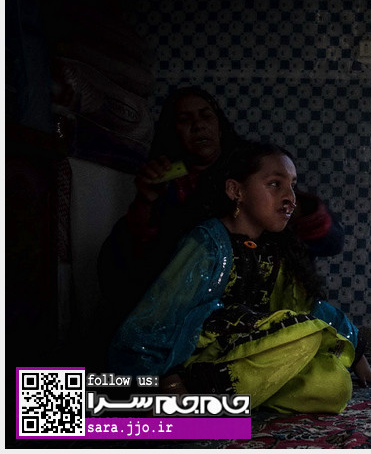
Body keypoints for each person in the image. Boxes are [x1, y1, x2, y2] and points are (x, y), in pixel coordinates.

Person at [109, 142, 371, 413]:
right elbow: (158, 316)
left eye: (292, 185)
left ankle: (229, 397)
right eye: (275, 184)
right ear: (236, 191)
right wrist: (159, 381)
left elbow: (309, 307)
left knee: (333, 385)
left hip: (257, 352)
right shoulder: (208, 243)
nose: (290, 198)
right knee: (307, 333)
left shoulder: (275, 250)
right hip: (203, 358)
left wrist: (359, 358)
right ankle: (193, 394)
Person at [98, 87, 344, 352]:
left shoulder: (250, 170)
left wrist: (292, 206)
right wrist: (146, 199)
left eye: (206, 116)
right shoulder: (168, 181)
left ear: (219, 125)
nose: (198, 126)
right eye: (184, 120)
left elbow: (330, 241)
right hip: (196, 305)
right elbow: (134, 255)